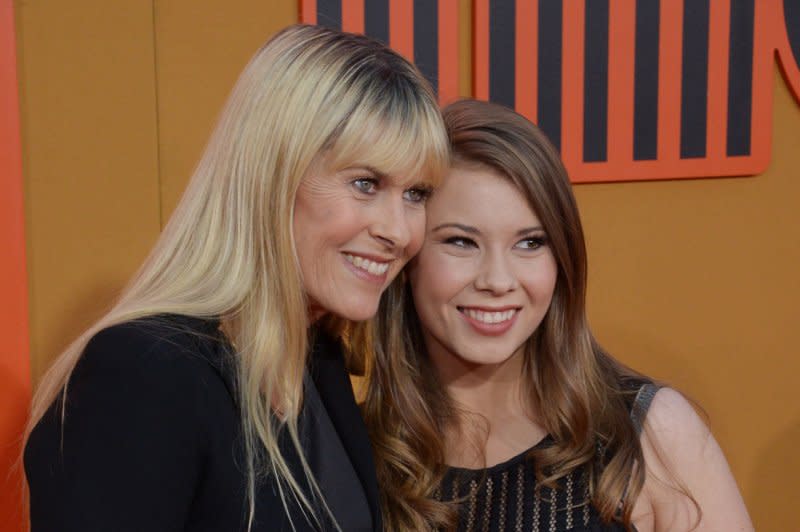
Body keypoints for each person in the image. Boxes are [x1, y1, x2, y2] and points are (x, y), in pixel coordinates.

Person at [23, 24, 448, 532]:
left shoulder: (319, 362)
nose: (399, 231)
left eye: (416, 194)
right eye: (365, 183)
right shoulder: (146, 373)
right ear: (272, 175)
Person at [361, 99, 753, 531]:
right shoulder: (355, 450)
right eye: (461, 242)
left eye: (530, 243)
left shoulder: (646, 434)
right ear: (408, 256)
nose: (498, 279)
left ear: (563, 259)